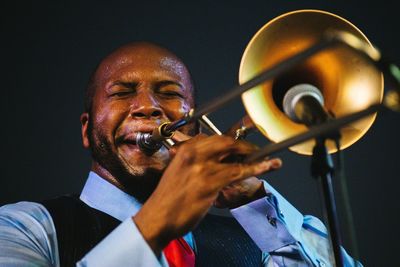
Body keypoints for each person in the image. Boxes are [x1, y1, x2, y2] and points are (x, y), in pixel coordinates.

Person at [0, 42, 359, 266]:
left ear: (196, 126)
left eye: (169, 93)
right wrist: (156, 223)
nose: (148, 107)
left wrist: (256, 205)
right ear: (86, 129)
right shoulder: (26, 228)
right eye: (123, 92)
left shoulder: (253, 243)